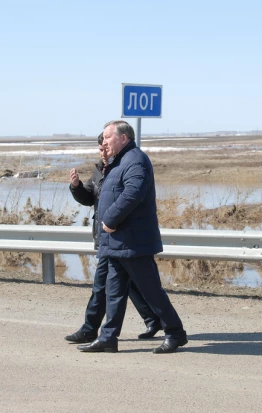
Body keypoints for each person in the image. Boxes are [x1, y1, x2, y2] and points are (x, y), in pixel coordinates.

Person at [77, 120, 188, 354]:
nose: (104, 141)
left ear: (123, 138)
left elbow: (132, 194)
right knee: (114, 292)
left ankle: (175, 333)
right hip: (116, 242)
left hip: (133, 241)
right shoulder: (116, 162)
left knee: (151, 291)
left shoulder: (136, 160)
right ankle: (108, 337)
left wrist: (111, 219)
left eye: (107, 137)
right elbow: (98, 193)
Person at [64, 133, 162, 344]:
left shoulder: (126, 165)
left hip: (120, 236)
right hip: (107, 238)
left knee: (113, 286)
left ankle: (94, 330)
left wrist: (110, 220)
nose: (103, 152)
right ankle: (151, 321)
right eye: (100, 149)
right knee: (120, 286)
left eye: (105, 147)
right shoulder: (101, 171)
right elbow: (89, 198)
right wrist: (77, 187)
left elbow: (130, 197)